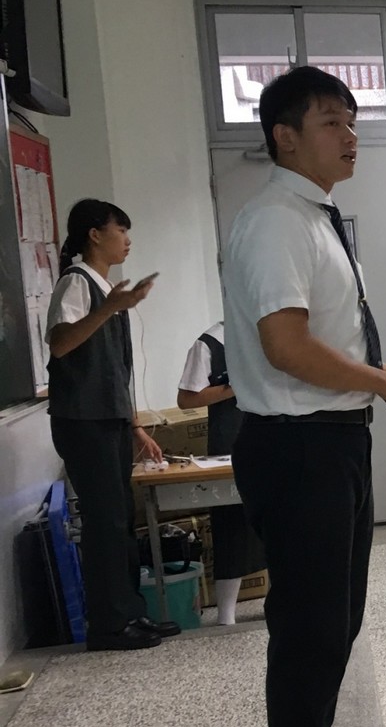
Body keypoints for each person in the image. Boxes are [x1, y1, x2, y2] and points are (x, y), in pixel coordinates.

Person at [224, 66, 386, 727]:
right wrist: (382, 381)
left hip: (331, 437)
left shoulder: (314, 216)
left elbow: (322, 337)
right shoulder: (276, 221)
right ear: (284, 137)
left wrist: (376, 386)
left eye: (352, 121)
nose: (350, 137)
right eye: (330, 123)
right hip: (298, 444)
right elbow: (286, 345)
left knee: (337, 618)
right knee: (309, 628)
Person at [45, 199, 172, 651]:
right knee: (104, 522)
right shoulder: (76, 282)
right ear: (95, 235)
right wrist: (110, 307)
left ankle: (131, 612)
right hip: (83, 421)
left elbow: (114, 371)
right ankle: (108, 626)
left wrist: (134, 427)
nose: (128, 240)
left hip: (108, 420)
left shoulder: (106, 290)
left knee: (121, 519)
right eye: (121, 230)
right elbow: (60, 344)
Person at [177, 321, 267, 625]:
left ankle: (279, 605)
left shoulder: (271, 333)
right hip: (229, 446)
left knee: (278, 526)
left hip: (272, 440)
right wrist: (235, 387)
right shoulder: (209, 344)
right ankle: (226, 615)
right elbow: (187, 398)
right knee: (231, 528)